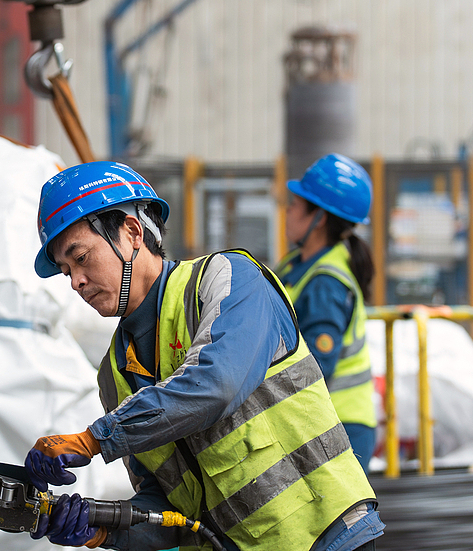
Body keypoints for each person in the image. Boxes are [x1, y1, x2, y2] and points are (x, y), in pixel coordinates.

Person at [23, 161, 384, 551]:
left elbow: (217, 384)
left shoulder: (226, 279)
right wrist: (102, 529)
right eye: (65, 271)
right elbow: (169, 509)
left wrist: (97, 439)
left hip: (326, 537)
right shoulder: (114, 374)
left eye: (81, 258)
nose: (76, 281)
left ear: (131, 234)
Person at [273, 154, 377, 471]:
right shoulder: (298, 265)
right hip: (325, 424)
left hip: (339, 428)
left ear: (319, 218)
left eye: (295, 204)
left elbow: (316, 367)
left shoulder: (325, 284)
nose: (288, 211)